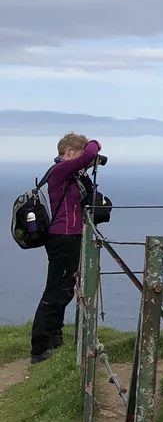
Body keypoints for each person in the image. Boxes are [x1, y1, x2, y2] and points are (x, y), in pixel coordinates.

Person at [30, 133, 102, 364]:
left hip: (71, 236)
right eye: (80, 155)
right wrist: (95, 146)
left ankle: (55, 337)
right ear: (70, 152)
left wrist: (87, 169)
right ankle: (40, 347)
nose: (86, 160)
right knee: (54, 291)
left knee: (65, 289)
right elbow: (91, 151)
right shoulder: (59, 171)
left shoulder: (72, 176)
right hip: (62, 237)